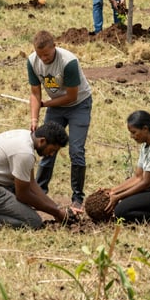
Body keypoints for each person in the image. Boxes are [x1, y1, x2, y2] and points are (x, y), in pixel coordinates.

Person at [0, 122, 75, 229]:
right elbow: (23, 195)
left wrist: (56, 208)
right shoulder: (24, 153)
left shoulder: (26, 137)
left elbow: (31, 184)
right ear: (42, 141)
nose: (51, 154)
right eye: (52, 150)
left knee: (26, 207)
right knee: (33, 221)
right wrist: (56, 212)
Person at [28, 30, 92, 208]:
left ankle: (77, 199)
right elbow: (34, 93)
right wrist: (34, 119)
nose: (44, 59)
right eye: (40, 55)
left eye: (47, 55)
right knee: (46, 146)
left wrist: (46, 104)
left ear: (54, 47)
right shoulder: (33, 61)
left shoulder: (68, 62)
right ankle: (39, 193)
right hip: (55, 107)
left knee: (76, 150)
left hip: (79, 105)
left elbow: (71, 97)